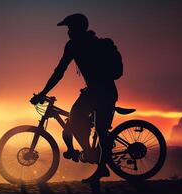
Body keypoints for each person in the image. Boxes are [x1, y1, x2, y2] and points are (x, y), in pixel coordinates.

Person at [30, 13, 123, 183]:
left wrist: (43, 93)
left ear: (78, 28)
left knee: (100, 131)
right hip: (95, 92)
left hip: (103, 93)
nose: (68, 31)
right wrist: (43, 92)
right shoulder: (74, 45)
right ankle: (88, 152)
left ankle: (99, 165)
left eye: (70, 28)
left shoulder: (78, 45)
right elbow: (59, 71)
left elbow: (59, 72)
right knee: (74, 123)